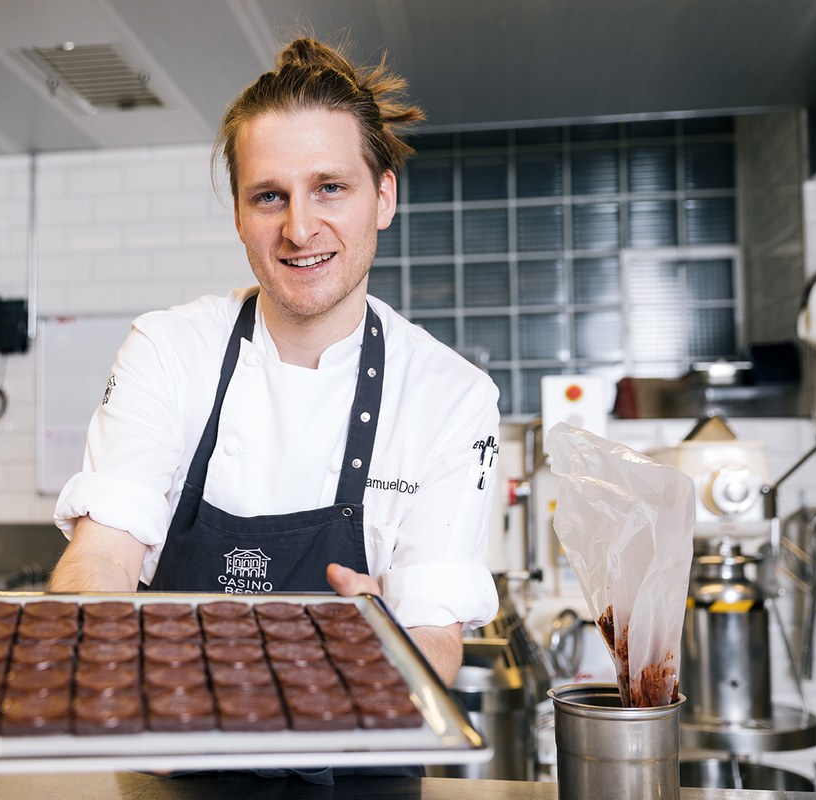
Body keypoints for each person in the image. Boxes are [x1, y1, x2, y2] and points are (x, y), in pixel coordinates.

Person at [50, 37, 500, 688]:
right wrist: (108, 667)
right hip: (171, 759)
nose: (298, 228)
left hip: (362, 762)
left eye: (330, 188)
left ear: (383, 199)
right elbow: (103, 554)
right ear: (237, 213)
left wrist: (391, 660)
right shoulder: (169, 350)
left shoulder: (450, 397)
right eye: (269, 197)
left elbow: (434, 633)